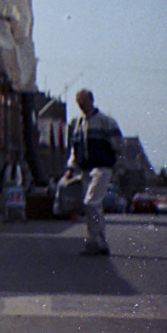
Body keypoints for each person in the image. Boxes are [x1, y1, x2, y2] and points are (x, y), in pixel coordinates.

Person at [66, 89, 123, 254]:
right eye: (78, 102)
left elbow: (118, 144)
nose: (81, 105)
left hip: (102, 167)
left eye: (83, 101)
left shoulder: (105, 121)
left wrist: (112, 162)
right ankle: (97, 242)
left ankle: (96, 241)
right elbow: (74, 149)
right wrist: (71, 167)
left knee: (91, 202)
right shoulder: (77, 124)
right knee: (93, 206)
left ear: (91, 100)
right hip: (85, 169)